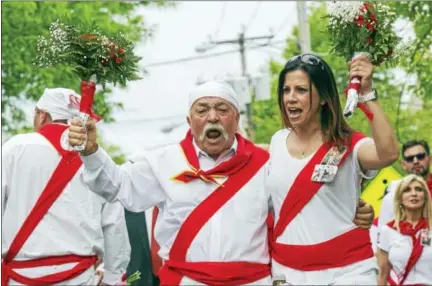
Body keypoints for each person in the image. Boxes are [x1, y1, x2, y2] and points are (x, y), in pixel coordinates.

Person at [68, 80, 375, 285]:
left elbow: (304, 205)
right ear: (190, 121)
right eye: (202, 110)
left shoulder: (267, 163)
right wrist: (92, 152)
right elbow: (118, 187)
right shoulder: (161, 162)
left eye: (222, 109)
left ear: (236, 119)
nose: (212, 117)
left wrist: (356, 209)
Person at [266, 53, 399, 285]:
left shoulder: (349, 144)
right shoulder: (276, 142)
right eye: (286, 90)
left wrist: (366, 94)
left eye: (301, 90)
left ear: (324, 98)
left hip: (348, 272)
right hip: (288, 274)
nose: (290, 98)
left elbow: (388, 153)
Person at [1, 88, 130, 285]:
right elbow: (114, 224)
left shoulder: (14, 148)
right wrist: (112, 277)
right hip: (81, 278)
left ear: (42, 115)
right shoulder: (97, 158)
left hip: (20, 278)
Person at [377, 174, 432, 285]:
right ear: (399, 199)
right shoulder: (387, 230)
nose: (414, 194)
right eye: (407, 190)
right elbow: (383, 274)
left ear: (425, 197)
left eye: (419, 189)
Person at [378, 140, 432, 228]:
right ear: (403, 164)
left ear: (430, 159)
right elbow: (384, 227)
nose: (415, 161)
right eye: (410, 158)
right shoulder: (394, 191)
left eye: (420, 156)